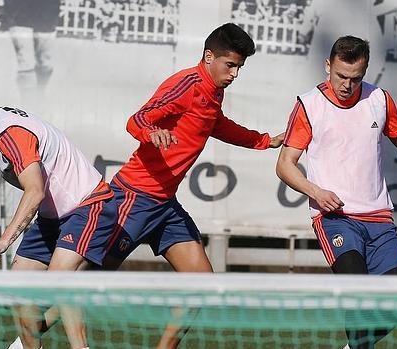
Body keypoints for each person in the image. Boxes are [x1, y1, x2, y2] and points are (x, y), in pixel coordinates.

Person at [275, 36, 397, 349]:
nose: (347, 85)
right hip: (335, 218)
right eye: (341, 76)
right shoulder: (309, 105)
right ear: (328, 66)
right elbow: (285, 165)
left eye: (356, 78)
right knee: (357, 290)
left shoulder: (380, 100)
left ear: (366, 71)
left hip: (379, 220)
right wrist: (316, 191)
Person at [109, 22, 284, 348]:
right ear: (208, 57)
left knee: (202, 286)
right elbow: (138, 119)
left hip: (164, 206)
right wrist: (152, 132)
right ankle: (24, 341)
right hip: (133, 198)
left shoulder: (213, 92)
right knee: (80, 282)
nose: (234, 74)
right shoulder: (187, 83)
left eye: (239, 67)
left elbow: (217, 124)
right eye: (230, 65)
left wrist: (265, 141)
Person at [0, 101, 118, 349]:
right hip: (53, 217)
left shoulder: (10, 135)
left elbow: (34, 192)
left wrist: (3, 242)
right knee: (20, 288)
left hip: (88, 205)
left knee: (59, 282)